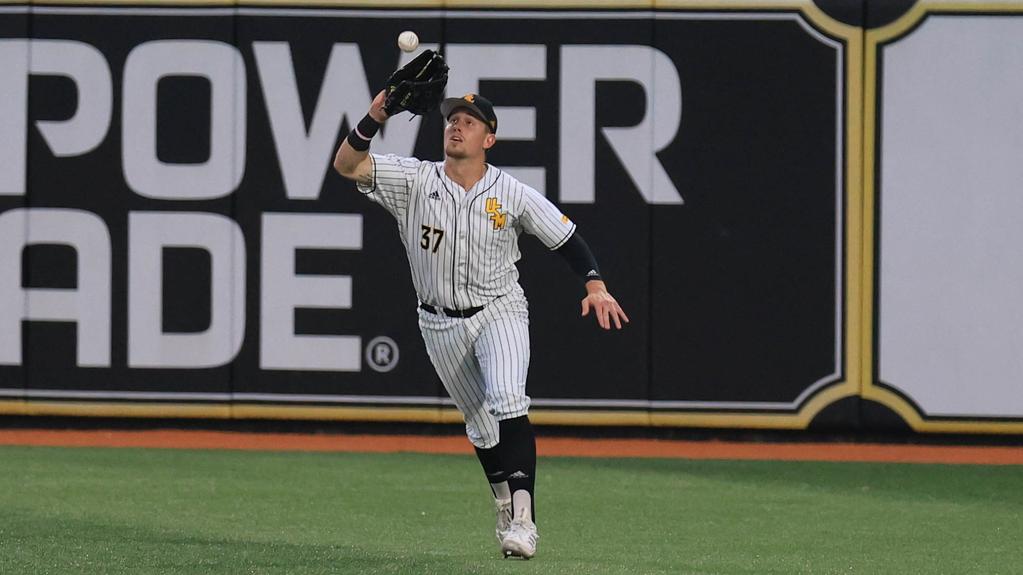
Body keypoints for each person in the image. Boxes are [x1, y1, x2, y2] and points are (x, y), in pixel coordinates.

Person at [333, 90, 629, 559]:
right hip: (438, 322)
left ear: (489, 138)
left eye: (470, 121)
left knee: (508, 399)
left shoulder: (511, 192)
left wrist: (594, 283)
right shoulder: (413, 180)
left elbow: (566, 236)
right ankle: (503, 502)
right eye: (453, 118)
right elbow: (348, 166)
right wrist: (374, 116)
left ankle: (525, 521)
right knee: (480, 427)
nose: (457, 125)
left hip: (500, 309)